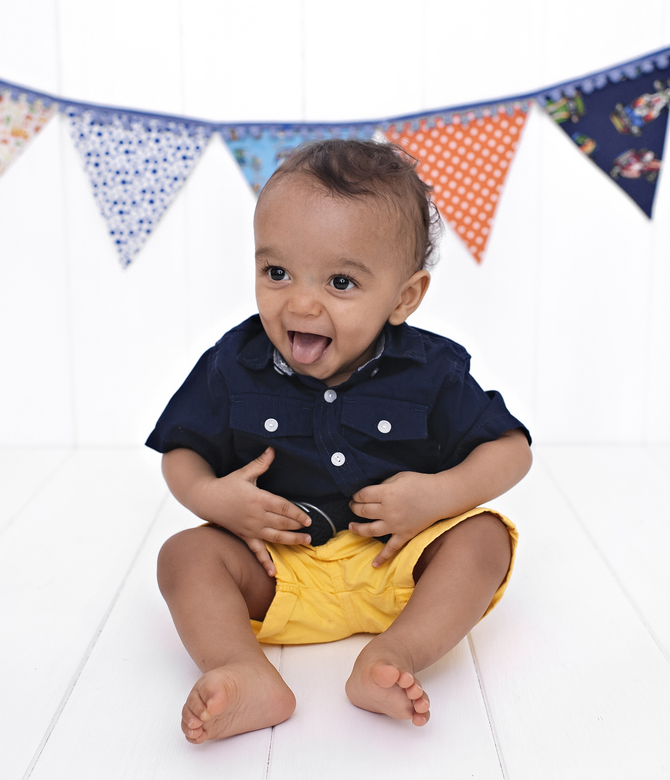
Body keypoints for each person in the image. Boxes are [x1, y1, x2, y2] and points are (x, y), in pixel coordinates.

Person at [147, 139, 532, 744]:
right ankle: (243, 670)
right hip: (276, 569)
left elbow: (512, 451)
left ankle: (394, 655)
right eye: (276, 272)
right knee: (183, 556)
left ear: (404, 297)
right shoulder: (234, 362)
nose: (300, 301)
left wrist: (438, 495)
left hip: (398, 565)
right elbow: (181, 451)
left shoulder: (431, 370)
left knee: (485, 538)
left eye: (341, 282)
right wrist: (215, 500)